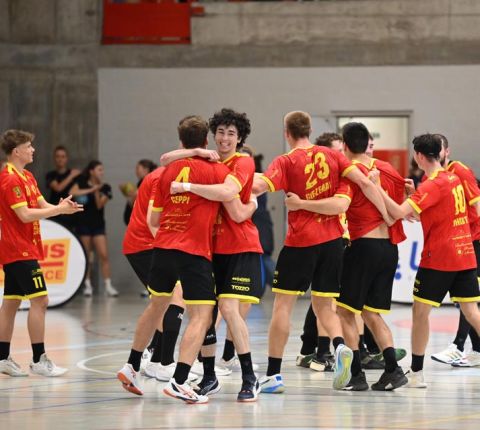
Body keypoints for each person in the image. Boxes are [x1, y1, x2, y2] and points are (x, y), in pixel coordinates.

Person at [251, 111, 392, 393]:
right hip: (333, 243)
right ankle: (339, 347)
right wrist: (389, 215)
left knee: (282, 307)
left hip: (300, 242)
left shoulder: (286, 160)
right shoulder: (334, 157)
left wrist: (228, 177)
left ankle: (274, 374)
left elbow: (257, 186)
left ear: (287, 133)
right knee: (325, 307)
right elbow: (364, 183)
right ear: (310, 130)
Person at [285, 122, 408, 391]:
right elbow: (405, 195)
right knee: (371, 313)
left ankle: (356, 375)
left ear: (344, 144)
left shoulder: (350, 173)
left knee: (344, 312)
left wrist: (301, 203)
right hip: (389, 248)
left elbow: (339, 203)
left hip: (363, 247)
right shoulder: (385, 169)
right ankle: (393, 369)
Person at [117, 115, 231, 404]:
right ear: (206, 140)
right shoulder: (216, 170)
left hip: (163, 248)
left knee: (157, 305)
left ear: (181, 141)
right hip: (193, 251)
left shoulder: (165, 172)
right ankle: (179, 380)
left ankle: (132, 365)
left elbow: (153, 219)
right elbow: (232, 196)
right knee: (202, 314)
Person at [166, 108, 262, 401]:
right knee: (203, 312)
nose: (225, 138)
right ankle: (209, 376)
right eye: (220, 132)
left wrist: (187, 186)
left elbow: (229, 197)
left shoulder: (243, 162)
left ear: (240, 138)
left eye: (231, 133)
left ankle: (250, 377)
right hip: (209, 248)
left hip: (240, 246)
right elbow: (166, 159)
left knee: (229, 309)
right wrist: (196, 151)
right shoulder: (207, 160)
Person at [374, 133, 480, 388]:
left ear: (419, 156)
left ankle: (417, 373)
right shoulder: (453, 177)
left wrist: (376, 187)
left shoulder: (432, 185)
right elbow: (437, 212)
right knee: (472, 312)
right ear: (441, 153)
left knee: (420, 313)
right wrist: (416, 196)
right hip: (465, 254)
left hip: (439, 258)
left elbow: (397, 212)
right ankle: (418, 372)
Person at [0, 129, 82, 377]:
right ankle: (38, 359)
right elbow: (24, 214)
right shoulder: (9, 179)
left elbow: (42, 205)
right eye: (28, 146)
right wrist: (57, 211)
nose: (33, 150)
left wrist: (61, 206)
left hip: (24, 248)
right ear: (17, 151)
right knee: (41, 300)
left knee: (11, 303)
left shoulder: (27, 176)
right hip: (18, 250)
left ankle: (2, 358)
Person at [429, 134, 480, 367]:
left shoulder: (459, 170)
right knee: (465, 298)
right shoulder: (436, 177)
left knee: (468, 298)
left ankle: (459, 346)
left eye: (439, 149)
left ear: (446, 151)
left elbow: (476, 204)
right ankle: (473, 350)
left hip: (473, 240)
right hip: (460, 242)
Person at [70, 160, 118, 297]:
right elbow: (72, 192)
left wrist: (97, 190)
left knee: (104, 255)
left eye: (102, 170)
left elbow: (99, 205)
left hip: (98, 225)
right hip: (83, 224)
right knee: (87, 255)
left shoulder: (106, 187)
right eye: (99, 170)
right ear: (91, 171)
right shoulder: (82, 182)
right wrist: (91, 189)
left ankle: (108, 285)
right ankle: (87, 285)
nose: (102, 172)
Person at [45, 145, 81, 231]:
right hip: (54, 213)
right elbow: (58, 188)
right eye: (58, 156)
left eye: (63, 156)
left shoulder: (76, 175)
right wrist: (71, 176)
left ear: (67, 158)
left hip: (71, 214)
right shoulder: (50, 175)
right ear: (54, 158)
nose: (60, 159)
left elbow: (78, 192)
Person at [121, 159, 157, 226]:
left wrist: (133, 195)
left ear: (146, 170)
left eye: (137, 168)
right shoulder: (140, 182)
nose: (136, 171)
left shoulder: (148, 183)